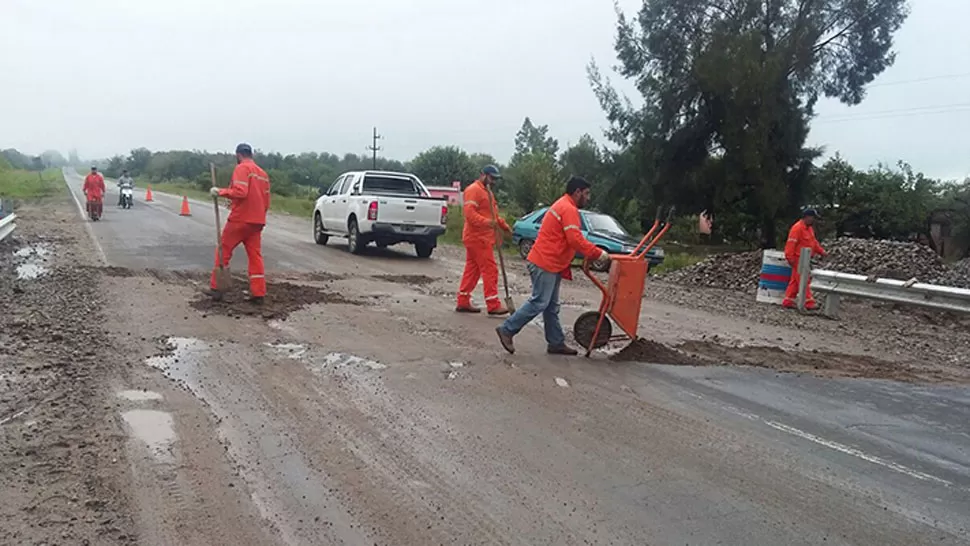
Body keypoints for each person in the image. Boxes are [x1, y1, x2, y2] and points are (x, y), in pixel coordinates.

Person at [496, 176, 610, 355]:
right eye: (586, 194)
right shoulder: (568, 208)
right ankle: (507, 329)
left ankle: (556, 342)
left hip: (550, 262)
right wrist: (598, 254)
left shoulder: (564, 205)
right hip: (545, 262)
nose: (588, 198)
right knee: (540, 302)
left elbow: (571, 239)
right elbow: (575, 239)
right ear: (577, 192)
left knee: (550, 305)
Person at [207, 143, 271, 303]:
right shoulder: (262, 174)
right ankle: (258, 293)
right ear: (251, 154)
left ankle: (217, 289)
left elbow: (241, 192)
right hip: (257, 221)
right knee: (255, 257)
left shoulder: (242, 168)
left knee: (224, 250)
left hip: (241, 219)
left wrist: (220, 192)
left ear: (238, 155)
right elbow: (266, 201)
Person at [455, 165, 512, 315]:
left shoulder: (487, 192)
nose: (493, 181)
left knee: (472, 270)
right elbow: (470, 215)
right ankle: (493, 304)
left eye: (495, 179)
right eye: (491, 178)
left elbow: (492, 214)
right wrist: (488, 223)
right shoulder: (474, 190)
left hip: (481, 237)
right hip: (477, 238)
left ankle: (463, 301)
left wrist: (503, 225)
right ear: (483, 175)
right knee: (490, 270)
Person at [782, 208, 826, 310]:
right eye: (813, 218)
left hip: (805, 259)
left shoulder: (809, 229)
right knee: (804, 280)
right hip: (798, 259)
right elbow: (790, 244)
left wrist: (822, 251)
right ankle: (809, 302)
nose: (814, 220)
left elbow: (813, 242)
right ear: (807, 217)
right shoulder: (797, 228)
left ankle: (788, 300)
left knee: (795, 281)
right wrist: (790, 258)